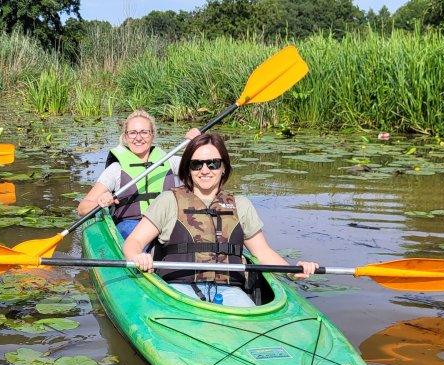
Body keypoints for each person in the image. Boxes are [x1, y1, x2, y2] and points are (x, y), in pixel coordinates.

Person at [123, 133, 319, 308]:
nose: (205, 170)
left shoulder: (241, 205)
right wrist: (138, 256)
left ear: (223, 167)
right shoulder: (168, 201)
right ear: (188, 169)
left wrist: (293, 271)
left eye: (213, 163)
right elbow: (134, 242)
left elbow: (262, 252)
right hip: (177, 290)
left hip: (229, 290)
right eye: (196, 164)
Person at [77, 110, 199, 239]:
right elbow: (82, 208)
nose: (138, 138)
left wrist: (194, 145)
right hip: (131, 225)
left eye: (144, 132)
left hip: (167, 222)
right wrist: (100, 201)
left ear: (152, 135)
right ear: (125, 136)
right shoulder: (116, 169)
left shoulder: (170, 161)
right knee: (136, 236)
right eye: (133, 133)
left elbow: (204, 173)